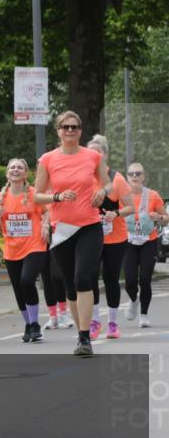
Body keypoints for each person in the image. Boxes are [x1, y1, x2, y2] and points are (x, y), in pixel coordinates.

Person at [32, 111, 109, 357]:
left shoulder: (93, 156)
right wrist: (57, 196)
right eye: (65, 127)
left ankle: (85, 338)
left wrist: (102, 192)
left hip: (89, 226)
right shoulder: (47, 159)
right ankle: (81, 333)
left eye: (74, 127)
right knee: (71, 286)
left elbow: (107, 183)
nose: (70, 131)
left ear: (80, 131)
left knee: (83, 278)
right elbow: (36, 195)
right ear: (58, 131)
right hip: (62, 229)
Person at [0, 158, 48, 343]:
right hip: (12, 249)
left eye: (20, 167)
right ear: (7, 173)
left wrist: (46, 225)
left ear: (26, 173)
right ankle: (28, 325)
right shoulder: (0, 197)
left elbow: (47, 211)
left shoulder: (34, 194)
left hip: (34, 245)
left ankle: (35, 323)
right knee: (18, 288)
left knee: (27, 280)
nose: (15, 170)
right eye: (12, 167)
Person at [86, 135, 134, 339]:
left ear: (104, 155)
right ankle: (95, 321)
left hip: (115, 238)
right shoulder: (84, 178)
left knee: (110, 279)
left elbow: (130, 207)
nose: (94, 156)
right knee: (90, 277)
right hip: (90, 236)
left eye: (97, 152)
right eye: (90, 152)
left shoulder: (116, 179)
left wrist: (115, 213)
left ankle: (113, 323)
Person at [122, 162, 168, 327]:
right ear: (127, 177)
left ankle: (144, 315)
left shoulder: (153, 195)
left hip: (149, 241)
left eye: (138, 173)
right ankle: (134, 300)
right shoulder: (122, 196)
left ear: (143, 177)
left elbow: (166, 218)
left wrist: (159, 218)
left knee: (145, 279)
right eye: (131, 174)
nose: (135, 176)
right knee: (130, 280)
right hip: (128, 242)